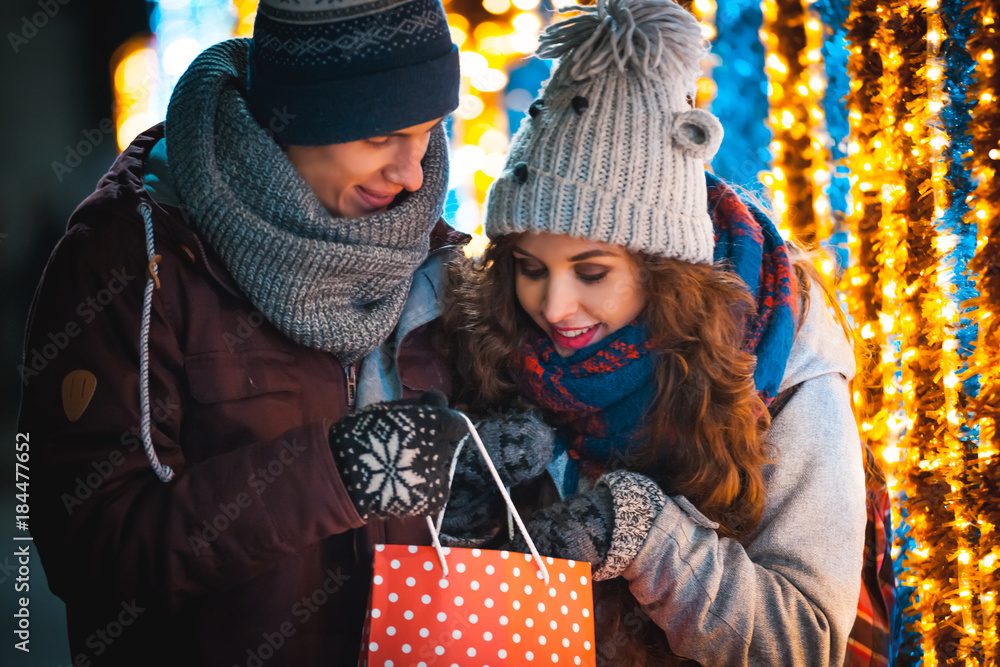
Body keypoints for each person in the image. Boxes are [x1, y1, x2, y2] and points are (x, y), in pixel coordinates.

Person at [18, 0, 483, 664]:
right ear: (292, 113)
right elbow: (91, 546)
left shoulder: (431, 255)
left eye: (431, 130)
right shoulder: (132, 258)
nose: (412, 174)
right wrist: (334, 475)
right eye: (381, 137)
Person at [441, 0, 891, 664]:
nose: (554, 304)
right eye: (530, 267)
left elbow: (805, 641)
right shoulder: (497, 335)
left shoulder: (782, 360)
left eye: (591, 271)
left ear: (665, 269)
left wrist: (648, 536)